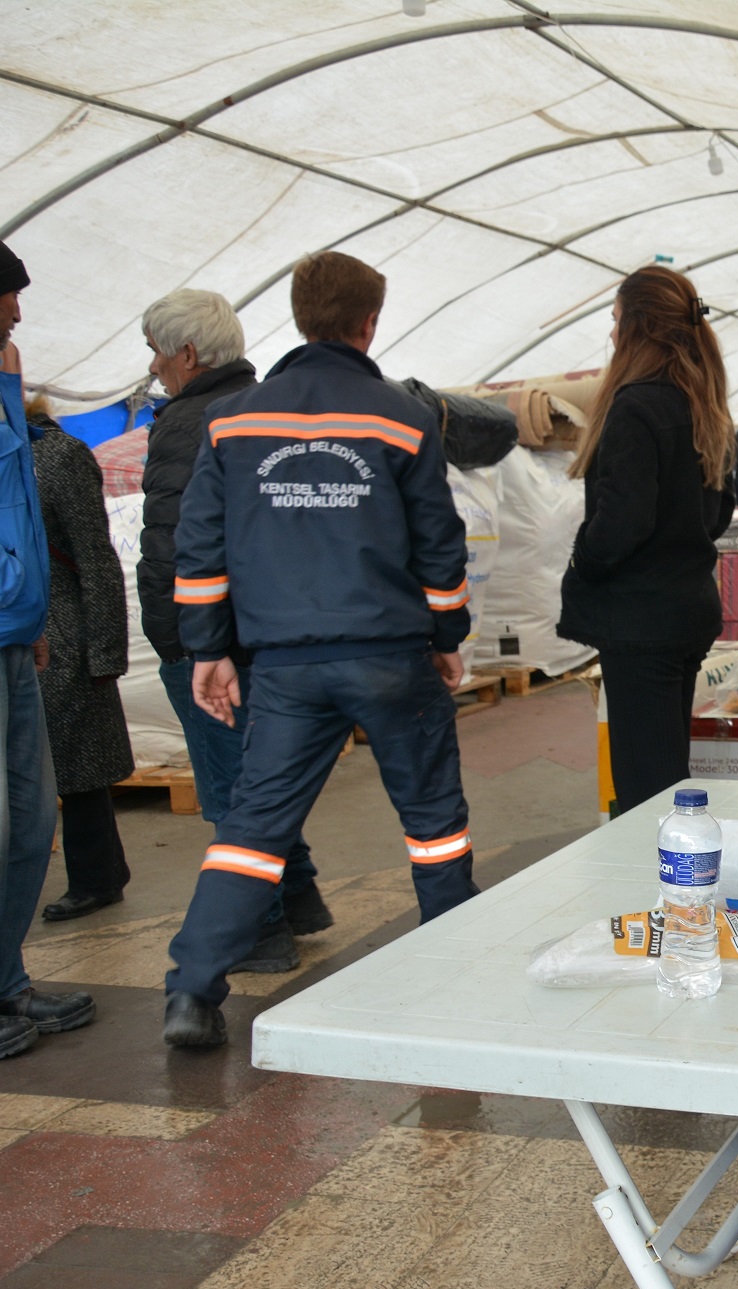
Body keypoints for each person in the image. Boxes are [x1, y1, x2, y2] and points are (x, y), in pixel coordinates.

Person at [163, 250, 476, 1048]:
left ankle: (192, 993)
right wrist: (447, 637)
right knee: (433, 819)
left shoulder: (232, 419)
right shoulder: (401, 417)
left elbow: (199, 543)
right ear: (369, 322)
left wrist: (208, 648)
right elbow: (439, 546)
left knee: (254, 824)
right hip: (389, 653)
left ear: (300, 316)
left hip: (286, 666)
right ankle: (462, 969)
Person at [135, 289, 328, 957]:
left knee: (233, 791)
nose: (155, 367)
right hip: (269, 630)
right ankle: (299, 898)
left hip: (210, 639)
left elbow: (172, 540)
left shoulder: (189, 422)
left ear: (186, 354)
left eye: (158, 353)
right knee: (264, 773)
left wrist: (180, 638)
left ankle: (261, 929)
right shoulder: (269, 406)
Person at [559, 266, 736, 813]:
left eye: (615, 321)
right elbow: (719, 512)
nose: (611, 334)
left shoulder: (634, 406)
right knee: (663, 767)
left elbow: (621, 523)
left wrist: (583, 563)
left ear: (638, 327)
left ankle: (669, 888)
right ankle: (678, 881)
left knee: (645, 788)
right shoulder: (701, 402)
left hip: (639, 619)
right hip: (685, 609)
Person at [0, 243, 93, 1059]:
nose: (19, 313)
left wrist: (32, 620)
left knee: (29, 820)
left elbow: (18, 507)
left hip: (14, 634)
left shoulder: (5, 400)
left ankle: (7, 978)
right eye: (7, 298)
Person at [26, 399, 134, 921]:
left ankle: (95, 878)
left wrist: (106, 652)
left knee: (77, 763)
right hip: (28, 627)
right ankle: (103, 873)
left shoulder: (58, 456)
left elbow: (96, 556)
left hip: (65, 631)